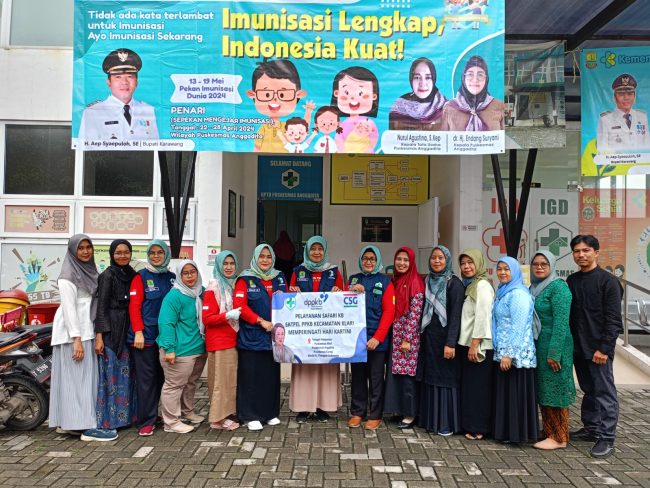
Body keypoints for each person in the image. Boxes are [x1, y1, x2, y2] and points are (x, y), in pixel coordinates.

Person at [567, 235, 623, 458]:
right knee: (589, 390)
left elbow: (614, 320)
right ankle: (591, 429)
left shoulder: (609, 282)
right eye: (577, 251)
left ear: (596, 252)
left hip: (598, 350)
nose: (581, 255)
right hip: (578, 348)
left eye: (586, 250)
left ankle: (607, 438)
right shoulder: (572, 281)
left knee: (604, 393)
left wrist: (604, 349)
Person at [81, 239, 137, 442]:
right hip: (111, 332)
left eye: (126, 252)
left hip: (128, 329)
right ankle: (109, 421)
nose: (122, 256)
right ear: (112, 254)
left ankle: (127, 417)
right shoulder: (107, 276)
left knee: (128, 375)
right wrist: (99, 336)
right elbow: (101, 307)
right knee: (111, 376)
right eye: (118, 252)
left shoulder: (133, 275)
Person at [288, 236, 344, 423]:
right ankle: (303, 409)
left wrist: (339, 292)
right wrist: (292, 291)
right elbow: (289, 297)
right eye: (313, 249)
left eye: (320, 249)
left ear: (325, 251)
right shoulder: (298, 271)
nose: (317, 252)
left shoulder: (334, 271)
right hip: (304, 331)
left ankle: (323, 408)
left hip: (327, 332)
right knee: (304, 368)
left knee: (325, 368)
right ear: (307, 251)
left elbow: (343, 298)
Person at [233, 244, 288, 431]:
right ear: (255, 258)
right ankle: (250, 415)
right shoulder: (245, 279)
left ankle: (269, 413)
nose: (265, 260)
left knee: (270, 376)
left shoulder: (279, 277)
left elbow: (288, 301)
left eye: (268, 256)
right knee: (251, 377)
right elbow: (240, 306)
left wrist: (287, 295)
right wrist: (260, 321)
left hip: (273, 338)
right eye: (262, 256)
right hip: (252, 337)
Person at [49, 234, 99, 436]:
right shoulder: (67, 275)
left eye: (88, 247)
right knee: (74, 381)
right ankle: (74, 423)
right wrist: (76, 339)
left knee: (83, 380)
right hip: (73, 334)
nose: (86, 251)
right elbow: (69, 309)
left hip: (87, 330)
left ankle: (75, 420)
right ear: (72, 251)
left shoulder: (90, 271)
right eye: (81, 248)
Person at [128, 239, 176, 437]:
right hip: (145, 338)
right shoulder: (140, 277)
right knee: (146, 380)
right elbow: (134, 306)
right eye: (152, 253)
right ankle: (146, 421)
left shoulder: (173, 277)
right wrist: (138, 331)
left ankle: (158, 415)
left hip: (166, 338)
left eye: (160, 252)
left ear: (166, 254)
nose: (156, 256)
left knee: (162, 378)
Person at [530, 251, 576, 450]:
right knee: (545, 389)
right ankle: (549, 431)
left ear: (552, 266)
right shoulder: (535, 287)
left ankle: (559, 438)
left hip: (555, 346)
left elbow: (561, 323)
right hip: (540, 346)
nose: (539, 267)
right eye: (536, 264)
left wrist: (554, 353)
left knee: (556, 391)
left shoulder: (559, 288)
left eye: (544, 264)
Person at [417, 246, 464, 435]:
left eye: (441, 258)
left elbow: (456, 316)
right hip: (429, 340)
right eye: (434, 257)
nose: (437, 261)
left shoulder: (454, 283)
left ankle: (445, 423)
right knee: (430, 379)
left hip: (446, 342)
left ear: (447, 261)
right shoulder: (427, 280)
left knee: (445, 381)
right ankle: (431, 421)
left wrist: (450, 343)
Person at [347, 246, 395, 430]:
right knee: (358, 377)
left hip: (377, 340)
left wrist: (378, 337)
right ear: (361, 260)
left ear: (378, 261)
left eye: (372, 259)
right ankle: (358, 412)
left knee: (376, 379)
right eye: (365, 258)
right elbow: (340, 302)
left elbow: (389, 312)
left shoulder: (385, 282)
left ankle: (375, 415)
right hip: (357, 339)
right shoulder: (353, 279)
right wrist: (351, 290)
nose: (368, 262)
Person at [157, 260, 208, 434]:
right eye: (185, 273)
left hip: (198, 348)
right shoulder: (174, 296)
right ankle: (171, 422)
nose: (190, 276)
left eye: (193, 272)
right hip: (179, 351)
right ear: (179, 276)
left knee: (190, 383)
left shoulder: (201, 292)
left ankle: (187, 412)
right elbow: (166, 323)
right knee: (174, 386)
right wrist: (169, 349)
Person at [492, 256, 538, 443]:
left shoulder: (519, 294)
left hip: (516, 355)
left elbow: (518, 327)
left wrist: (509, 354)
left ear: (515, 271)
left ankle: (516, 434)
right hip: (504, 350)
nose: (502, 272)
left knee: (515, 394)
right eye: (500, 269)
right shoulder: (504, 291)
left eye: (507, 269)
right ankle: (506, 432)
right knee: (507, 394)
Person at [78, 48, 159, 141]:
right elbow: (86, 147)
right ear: (109, 82)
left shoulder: (148, 110)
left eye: (129, 76)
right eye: (118, 77)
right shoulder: (92, 112)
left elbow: (155, 147)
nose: (124, 82)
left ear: (137, 82)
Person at [384, 247, 424, 429]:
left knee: (408, 377)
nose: (401, 263)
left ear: (412, 262)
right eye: (399, 259)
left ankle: (410, 414)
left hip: (408, 339)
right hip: (396, 335)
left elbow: (415, 314)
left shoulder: (415, 282)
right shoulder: (396, 280)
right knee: (397, 375)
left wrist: (407, 339)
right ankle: (400, 410)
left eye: (406, 260)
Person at [457, 249, 494, 440]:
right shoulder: (470, 285)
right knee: (471, 387)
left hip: (478, 346)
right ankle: (472, 425)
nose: (466, 267)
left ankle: (479, 427)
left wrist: (475, 344)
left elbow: (483, 316)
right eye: (463, 263)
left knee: (478, 389)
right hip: (468, 343)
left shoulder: (482, 286)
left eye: (470, 262)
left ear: (479, 263)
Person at [202, 251, 242, 431]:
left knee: (227, 381)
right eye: (225, 263)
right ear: (218, 265)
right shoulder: (214, 287)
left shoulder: (232, 285)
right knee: (220, 382)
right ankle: (217, 420)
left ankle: (225, 414)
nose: (228, 267)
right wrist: (227, 315)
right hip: (219, 341)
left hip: (231, 339)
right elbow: (207, 318)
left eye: (232, 263)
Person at [246, 59, 314, 153]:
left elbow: (303, 127)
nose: (275, 99)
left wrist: (308, 112)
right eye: (267, 94)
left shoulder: (287, 127)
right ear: (252, 95)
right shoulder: (263, 128)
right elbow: (257, 147)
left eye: (283, 94)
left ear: (298, 94)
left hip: (287, 158)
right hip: (265, 158)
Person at [440, 55, 505, 131]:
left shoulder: (498, 106)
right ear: (463, 78)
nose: (475, 80)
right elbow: (443, 137)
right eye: (470, 74)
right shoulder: (449, 107)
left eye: (480, 75)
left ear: (486, 79)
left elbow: (502, 136)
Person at [389, 58, 448, 131]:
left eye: (428, 77)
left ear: (433, 79)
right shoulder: (399, 107)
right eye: (417, 77)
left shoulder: (447, 108)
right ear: (411, 79)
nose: (422, 83)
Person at [331, 66, 380, 153]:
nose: (353, 98)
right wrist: (342, 151)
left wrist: (368, 150)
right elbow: (339, 138)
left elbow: (374, 138)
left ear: (374, 96)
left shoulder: (369, 123)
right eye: (346, 92)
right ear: (336, 93)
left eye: (361, 93)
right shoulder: (344, 123)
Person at [597, 74, 650, 151]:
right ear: (614, 98)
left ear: (634, 97)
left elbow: (647, 146)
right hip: (616, 159)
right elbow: (602, 150)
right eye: (621, 94)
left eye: (630, 94)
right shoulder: (605, 120)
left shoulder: (642, 117)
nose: (626, 98)